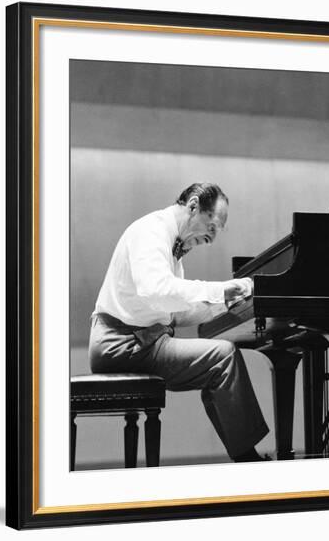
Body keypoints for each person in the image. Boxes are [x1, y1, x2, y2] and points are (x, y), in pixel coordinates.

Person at [88, 182, 269, 462]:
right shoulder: (150, 231)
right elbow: (157, 290)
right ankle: (248, 460)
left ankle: (245, 457)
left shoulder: (170, 244)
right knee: (223, 356)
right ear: (194, 205)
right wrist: (218, 289)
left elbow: (172, 313)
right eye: (212, 227)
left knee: (218, 359)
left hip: (141, 342)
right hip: (121, 345)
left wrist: (227, 304)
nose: (212, 239)